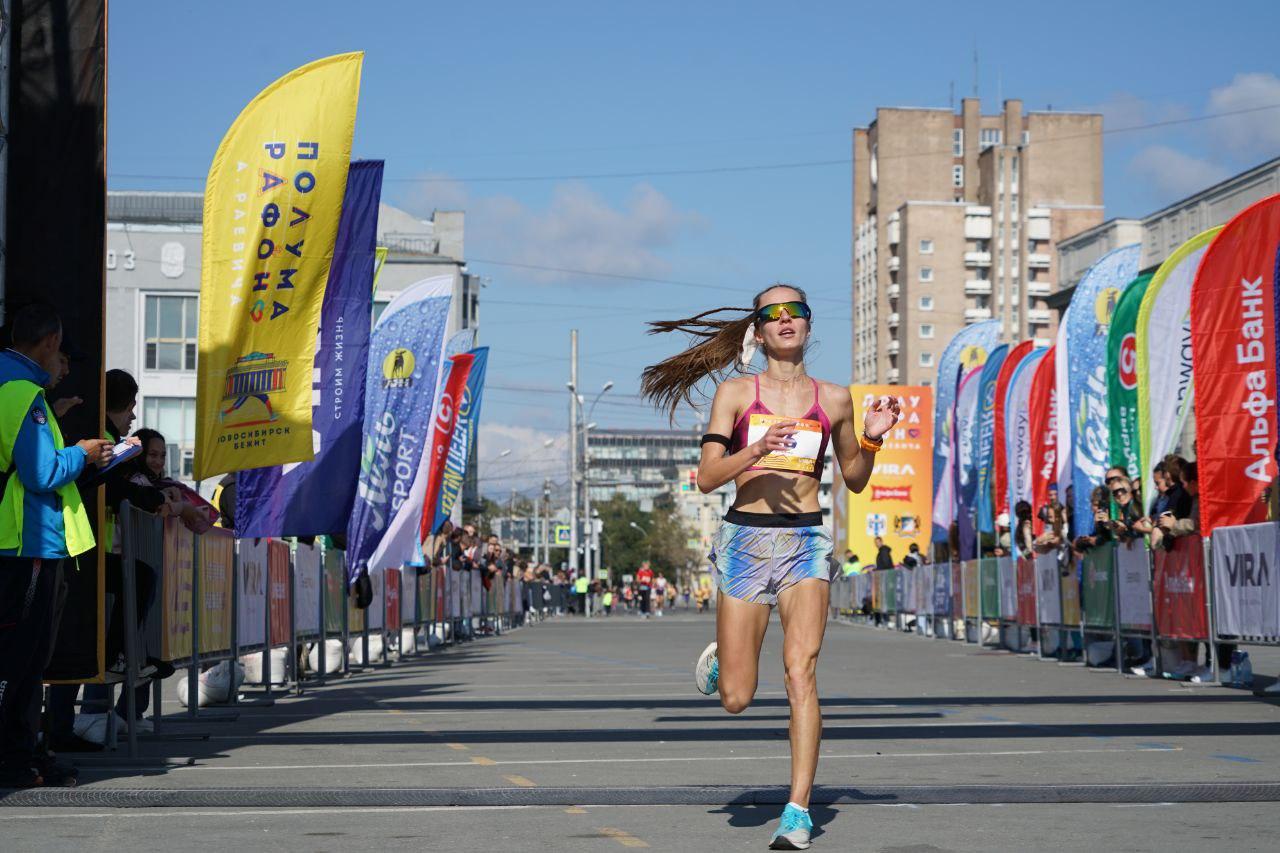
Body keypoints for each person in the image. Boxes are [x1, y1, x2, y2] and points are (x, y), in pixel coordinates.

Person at [643, 283, 899, 849]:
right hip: (745, 542)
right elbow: (708, 477)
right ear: (757, 332)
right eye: (772, 314)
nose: (786, 320)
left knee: (801, 671)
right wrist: (755, 451)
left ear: (808, 325)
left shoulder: (834, 398)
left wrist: (872, 442)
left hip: (805, 541)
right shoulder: (736, 394)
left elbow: (854, 480)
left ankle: (797, 812)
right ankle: (724, 656)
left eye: (796, 311)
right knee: (737, 697)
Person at [0, 305, 112, 788]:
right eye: (59, 350)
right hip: (27, 544)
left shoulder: (16, 388)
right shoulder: (24, 392)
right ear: (49, 342)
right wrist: (82, 454)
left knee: (23, 661)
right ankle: (15, 757)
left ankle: (24, 752)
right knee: (22, 661)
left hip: (23, 545)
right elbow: (41, 472)